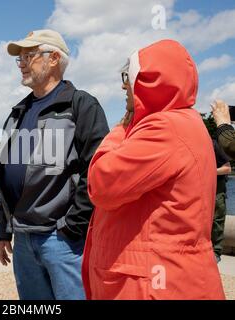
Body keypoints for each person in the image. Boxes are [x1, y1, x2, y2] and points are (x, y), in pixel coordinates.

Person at [83, 39, 225, 299]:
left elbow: (101, 184)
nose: (124, 85)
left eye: (129, 76)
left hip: (152, 285)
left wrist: (120, 130)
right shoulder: (183, 123)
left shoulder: (164, 127)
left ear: (150, 81)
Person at [0, 29, 109, 300]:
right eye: (19, 58)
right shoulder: (18, 112)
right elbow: (6, 174)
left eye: (29, 55)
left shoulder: (81, 104)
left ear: (54, 58)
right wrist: (2, 230)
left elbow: (97, 170)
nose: (21, 63)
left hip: (62, 240)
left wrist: (73, 226)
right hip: (23, 240)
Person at [211, 139, 231, 263]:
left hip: (218, 190)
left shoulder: (213, 144)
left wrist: (209, 171)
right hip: (203, 189)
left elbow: (227, 168)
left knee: (217, 220)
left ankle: (216, 252)